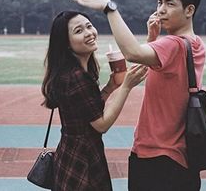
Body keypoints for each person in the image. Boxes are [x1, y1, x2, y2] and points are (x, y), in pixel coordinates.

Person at [72, 0, 204, 191]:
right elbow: (156, 71)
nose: (161, 9)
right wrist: (153, 39)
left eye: (170, 4)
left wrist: (110, 9)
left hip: (157, 156)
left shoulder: (173, 44)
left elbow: (133, 53)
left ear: (189, 10)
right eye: (159, 2)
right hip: (182, 156)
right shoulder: (194, 44)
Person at [42, 10, 147, 190]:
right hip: (82, 158)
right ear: (66, 43)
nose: (89, 33)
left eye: (89, 26)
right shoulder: (76, 77)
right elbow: (101, 124)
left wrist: (109, 88)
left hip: (71, 153)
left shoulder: (74, 71)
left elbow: (87, 110)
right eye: (78, 31)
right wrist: (127, 86)